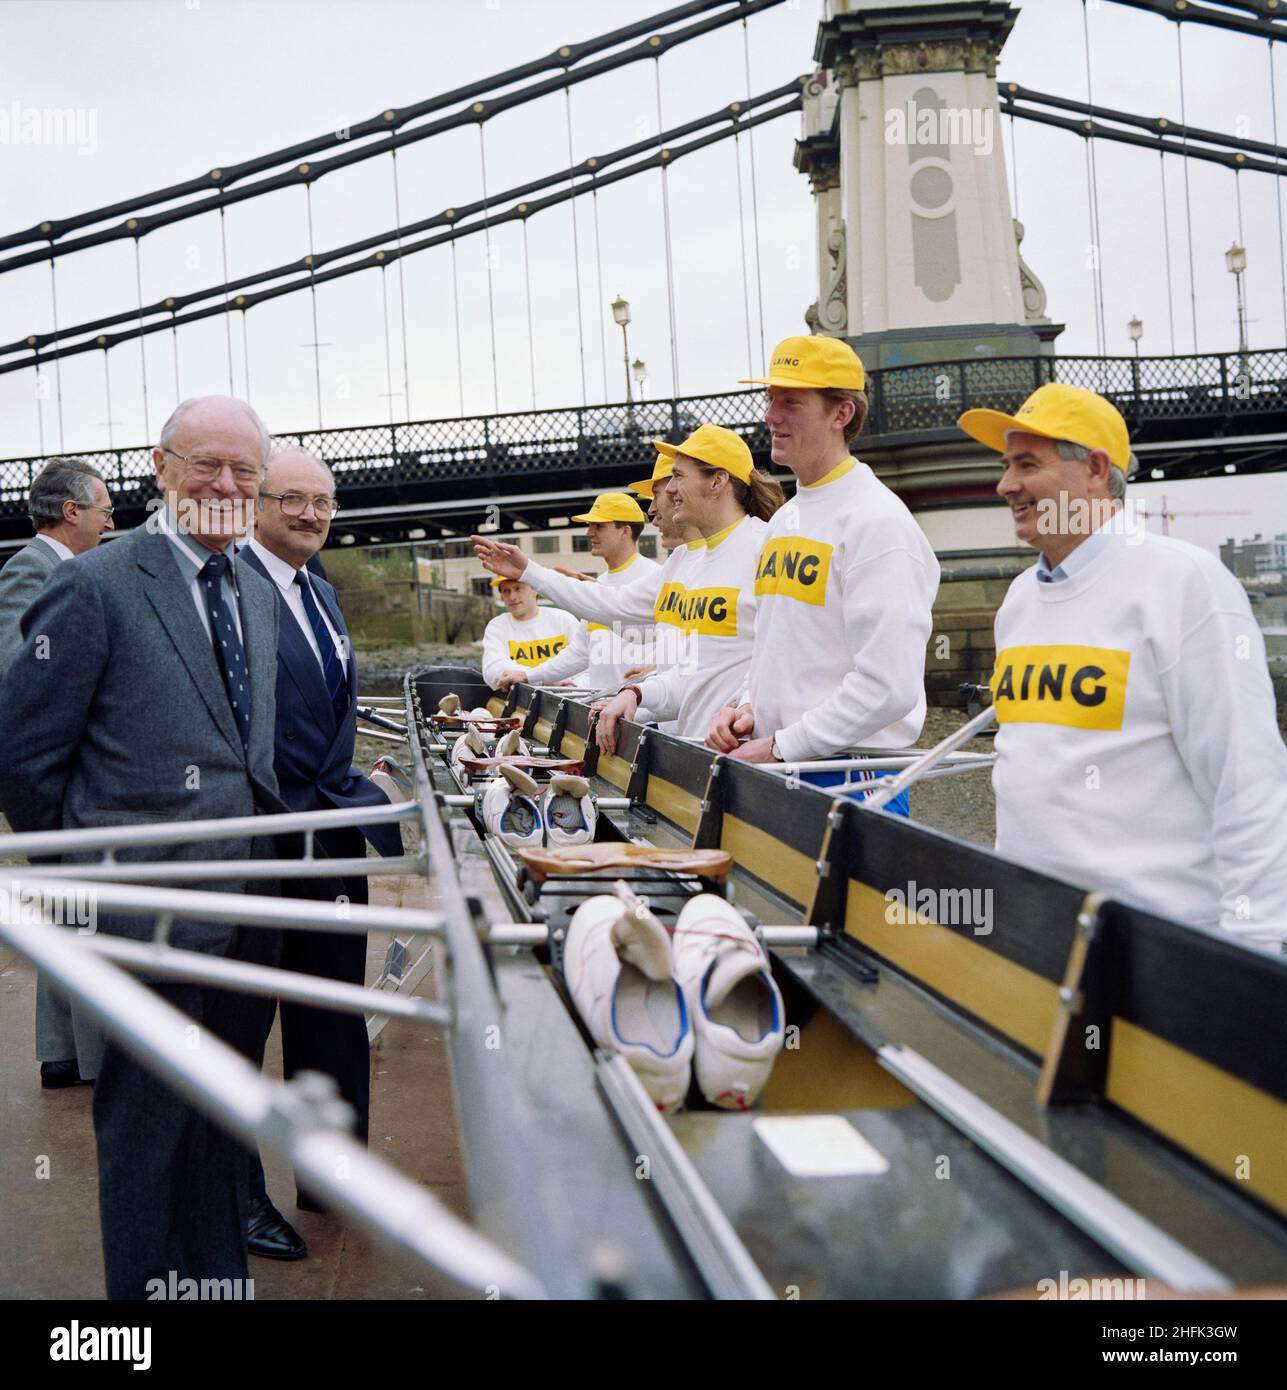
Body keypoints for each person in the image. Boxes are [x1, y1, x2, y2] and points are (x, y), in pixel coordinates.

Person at [0, 395, 286, 1299]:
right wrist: (92, 888)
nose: (227, 485)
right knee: (148, 1136)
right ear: (159, 469)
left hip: (247, 915)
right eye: (206, 464)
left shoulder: (254, 587)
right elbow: (23, 758)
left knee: (222, 1124)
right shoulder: (95, 586)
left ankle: (215, 1286)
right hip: (142, 921)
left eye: (245, 470)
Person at [956, 382, 1287, 945]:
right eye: (1006, 465)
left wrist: (1251, 951)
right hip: (1034, 933)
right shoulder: (1019, 600)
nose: (1005, 484)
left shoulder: (1185, 584)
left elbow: (1246, 779)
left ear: (1095, 469)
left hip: (1156, 943)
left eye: (1027, 464)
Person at [239, 447, 405, 1257]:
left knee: (332, 1013)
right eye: (293, 499)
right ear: (257, 505)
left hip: (329, 832)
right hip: (257, 837)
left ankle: (333, 1174)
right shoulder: (228, 589)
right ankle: (236, 1196)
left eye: (323, 502)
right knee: (239, 1025)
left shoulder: (321, 591)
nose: (311, 515)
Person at [706, 336, 940, 816]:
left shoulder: (878, 522)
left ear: (842, 414)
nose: (770, 415)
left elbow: (888, 686)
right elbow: (777, 644)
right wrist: (748, 705)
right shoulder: (783, 521)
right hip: (783, 757)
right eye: (770, 399)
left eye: (791, 402)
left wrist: (781, 745)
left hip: (851, 773)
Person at [0, 457, 115, 1089]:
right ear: (71, 512)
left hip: (64, 778)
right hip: (60, 779)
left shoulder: (66, 569)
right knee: (88, 911)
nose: (110, 522)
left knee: (74, 910)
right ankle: (95, 1063)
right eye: (103, 510)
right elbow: (18, 680)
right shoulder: (31, 570)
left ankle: (63, 1054)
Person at [591, 425, 784, 750]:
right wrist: (637, 693)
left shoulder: (767, 547)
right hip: (696, 748)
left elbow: (790, 655)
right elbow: (693, 675)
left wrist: (747, 704)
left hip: (749, 753)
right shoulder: (692, 561)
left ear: (718, 481)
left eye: (677, 478)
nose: (668, 493)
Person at [492, 492, 660, 693]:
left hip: (642, 710)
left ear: (625, 531)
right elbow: (580, 652)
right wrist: (529, 676)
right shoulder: (600, 583)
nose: (589, 532)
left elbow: (679, 652)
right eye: (590, 525)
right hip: (602, 707)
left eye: (599, 526)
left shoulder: (655, 579)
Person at [480, 575, 581, 689]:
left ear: (535, 589)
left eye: (518, 589)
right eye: (506, 591)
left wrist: (573, 688)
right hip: (521, 698)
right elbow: (493, 669)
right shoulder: (498, 626)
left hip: (569, 693)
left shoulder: (563, 620)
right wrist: (543, 680)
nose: (512, 597)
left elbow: (585, 664)